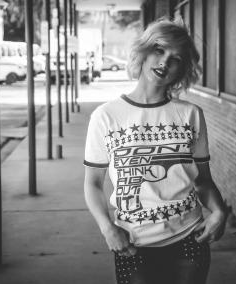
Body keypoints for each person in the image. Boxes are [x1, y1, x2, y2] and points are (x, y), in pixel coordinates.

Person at [83, 18, 228, 284]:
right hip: (132, 244)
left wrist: (219, 211)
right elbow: (93, 183)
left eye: (176, 58)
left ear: (183, 69)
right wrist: (107, 228)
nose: (164, 62)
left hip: (189, 240)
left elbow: (203, 181)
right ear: (143, 50)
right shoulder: (106, 117)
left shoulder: (190, 115)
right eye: (159, 50)